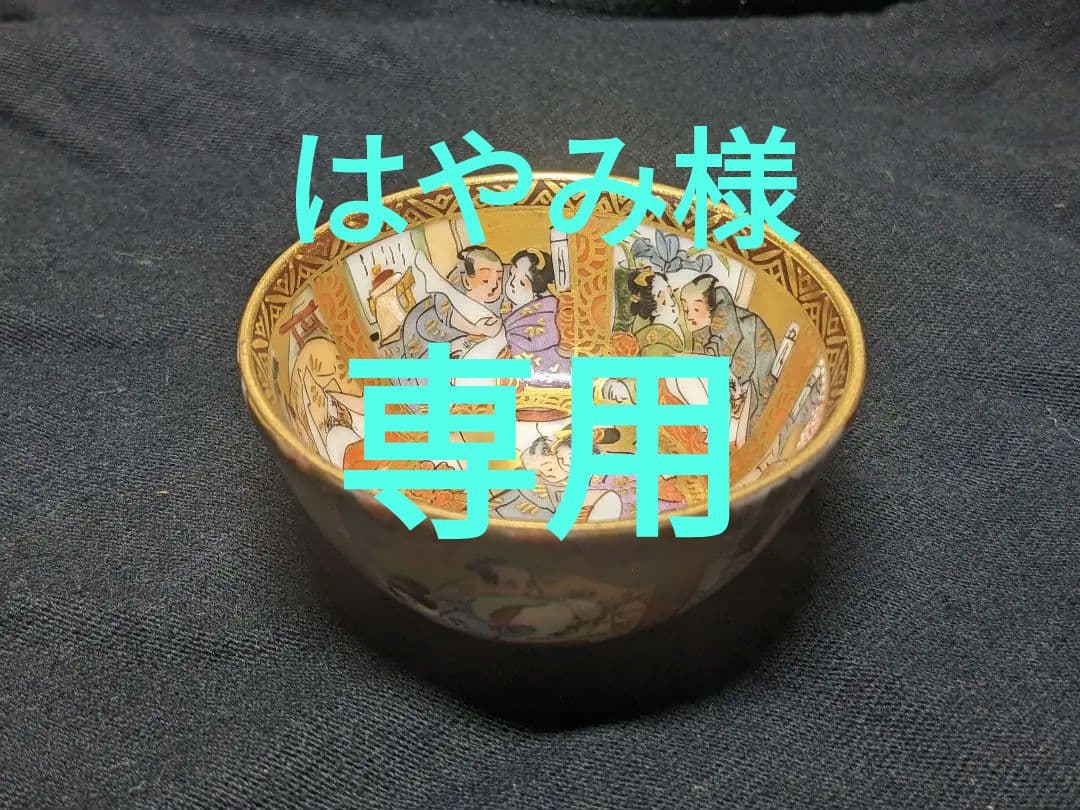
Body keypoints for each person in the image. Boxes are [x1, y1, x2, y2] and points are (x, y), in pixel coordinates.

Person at [393, 245, 506, 359]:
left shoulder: (503, 291)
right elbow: (488, 329)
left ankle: (440, 285)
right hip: (431, 345)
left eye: (499, 279)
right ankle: (440, 285)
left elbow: (492, 329)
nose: (495, 286)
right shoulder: (444, 305)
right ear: (466, 281)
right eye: (485, 280)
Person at [501, 248, 570, 387]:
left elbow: (538, 340)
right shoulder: (509, 307)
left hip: (542, 370)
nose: (512, 283)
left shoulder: (546, 311)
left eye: (522, 283)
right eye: (512, 275)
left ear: (536, 290)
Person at [627, 268, 690, 356]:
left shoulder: (681, 327)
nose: (672, 303)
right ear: (653, 309)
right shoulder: (653, 337)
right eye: (663, 300)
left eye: (671, 294)